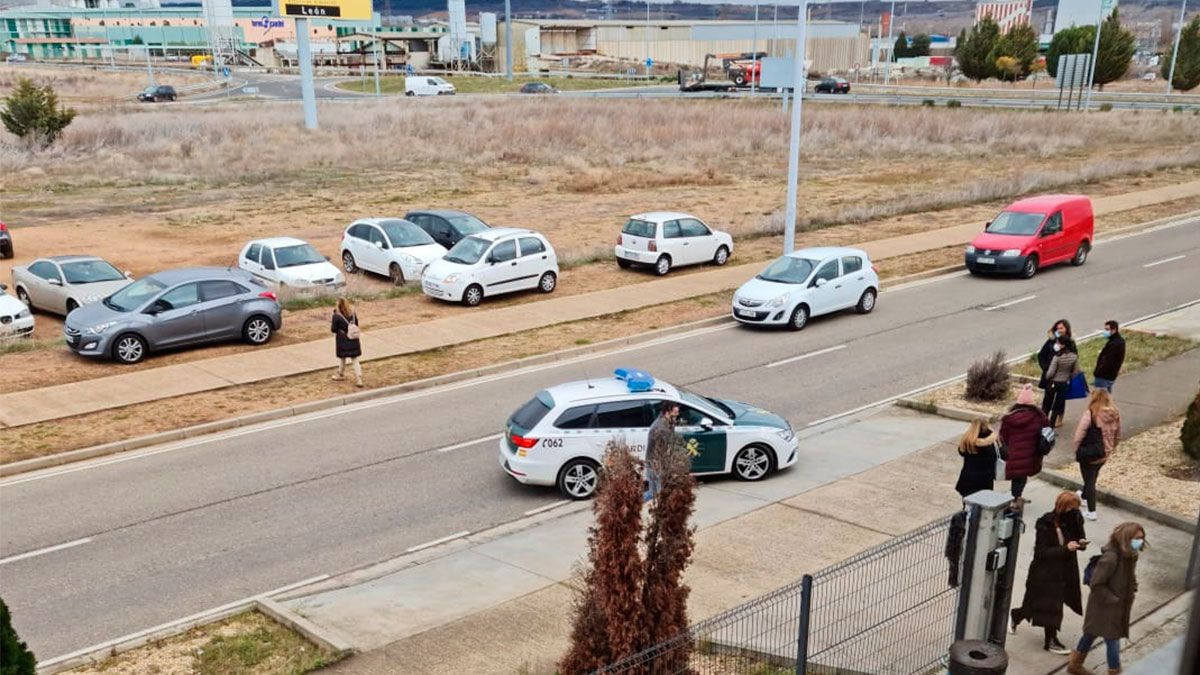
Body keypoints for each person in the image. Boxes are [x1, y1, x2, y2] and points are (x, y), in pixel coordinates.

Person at [1010, 491, 1087, 655]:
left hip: (1065, 570)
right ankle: (1050, 640)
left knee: (1040, 604)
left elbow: (1079, 535)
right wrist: (1065, 549)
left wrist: (1081, 543)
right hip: (1045, 572)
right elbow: (1042, 552)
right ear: (1063, 506)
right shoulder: (1046, 523)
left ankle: (1017, 616)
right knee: (1050, 605)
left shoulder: (1075, 518)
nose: (1073, 511)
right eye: (1071, 508)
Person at [1067, 522, 1147, 675]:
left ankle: (1075, 664)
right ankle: (1114, 671)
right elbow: (1096, 583)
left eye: (1142, 538)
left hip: (1114, 605)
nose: (1140, 541)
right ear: (1126, 538)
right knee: (1112, 639)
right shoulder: (1111, 558)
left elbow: (1129, 576)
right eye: (1137, 538)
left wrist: (1133, 586)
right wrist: (1114, 599)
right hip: (1105, 605)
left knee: (1091, 633)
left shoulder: (1130, 555)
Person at [1074, 389, 1121, 521]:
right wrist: (1113, 446)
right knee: (1092, 475)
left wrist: (1077, 447)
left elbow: (1080, 432)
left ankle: (1091, 511)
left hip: (1090, 451)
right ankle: (1084, 496)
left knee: (1089, 480)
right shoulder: (1115, 414)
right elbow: (1118, 432)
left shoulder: (1091, 413)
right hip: (1105, 451)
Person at [1000, 384, 1051, 502]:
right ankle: (1016, 497)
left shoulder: (1009, 419)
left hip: (1014, 454)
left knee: (1016, 476)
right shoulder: (1039, 417)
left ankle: (1015, 498)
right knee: (1022, 476)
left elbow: (1003, 437)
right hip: (1031, 454)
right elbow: (1047, 430)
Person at [644, 401, 679, 503]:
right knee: (659, 493)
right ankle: (632, 506)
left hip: (657, 464)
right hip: (656, 465)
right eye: (675, 412)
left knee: (653, 493)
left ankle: (632, 506)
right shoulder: (660, 428)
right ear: (668, 412)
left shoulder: (667, 422)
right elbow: (660, 450)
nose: (677, 415)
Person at [955, 419, 998, 499]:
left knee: (968, 505)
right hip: (985, 479)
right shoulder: (992, 442)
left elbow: (961, 452)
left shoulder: (967, 441)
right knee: (982, 503)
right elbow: (1003, 455)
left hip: (968, 477)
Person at [1042, 336, 1080, 428]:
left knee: (1048, 403)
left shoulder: (1057, 357)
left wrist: (1047, 377)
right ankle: (1052, 424)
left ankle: (1043, 422)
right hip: (1063, 383)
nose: (1057, 345)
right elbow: (1076, 371)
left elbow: (1050, 372)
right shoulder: (1073, 357)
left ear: (1063, 345)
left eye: (1058, 343)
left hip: (1053, 382)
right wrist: (1068, 377)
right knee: (1057, 404)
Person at [331, 297, 363, 388]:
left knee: (342, 358)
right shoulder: (352, 313)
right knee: (355, 359)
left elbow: (333, 329)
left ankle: (340, 374)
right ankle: (359, 378)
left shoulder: (336, 316)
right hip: (353, 339)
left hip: (342, 339)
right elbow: (356, 324)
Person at [1038, 319, 1074, 390]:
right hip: (1050, 377)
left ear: (1066, 329)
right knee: (1048, 398)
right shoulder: (1051, 341)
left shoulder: (1070, 343)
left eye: (1061, 328)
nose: (1059, 330)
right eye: (1057, 329)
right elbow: (1041, 355)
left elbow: (1074, 359)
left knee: (1060, 400)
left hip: (1063, 379)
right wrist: (1046, 369)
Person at [1092, 320, 1126, 393]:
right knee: (1107, 398)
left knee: (1099, 400)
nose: (1105, 331)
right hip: (1111, 376)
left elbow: (1107, 361)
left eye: (1107, 329)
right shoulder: (1120, 341)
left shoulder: (1113, 344)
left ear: (1114, 330)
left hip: (1103, 377)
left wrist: (1097, 372)